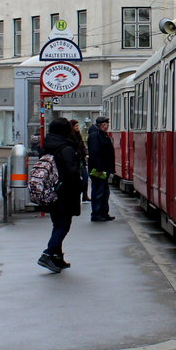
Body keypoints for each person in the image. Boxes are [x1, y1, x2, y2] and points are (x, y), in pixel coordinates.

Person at [37, 117, 86, 273]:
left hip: (50, 191)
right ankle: (48, 253)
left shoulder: (47, 146)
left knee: (57, 223)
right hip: (65, 193)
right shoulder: (66, 148)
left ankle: (57, 258)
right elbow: (72, 172)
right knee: (63, 225)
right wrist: (80, 187)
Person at [87, 115, 116, 222]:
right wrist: (100, 168)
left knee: (104, 192)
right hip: (99, 169)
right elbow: (95, 153)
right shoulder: (96, 135)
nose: (108, 126)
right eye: (107, 124)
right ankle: (96, 214)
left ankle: (103, 213)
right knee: (99, 191)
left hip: (103, 168)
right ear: (103, 125)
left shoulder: (101, 134)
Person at [70, 118, 90, 201]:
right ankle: (80, 194)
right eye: (76, 126)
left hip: (81, 159)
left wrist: (85, 153)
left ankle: (84, 195)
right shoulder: (71, 136)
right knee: (82, 178)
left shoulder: (78, 135)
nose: (78, 127)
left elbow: (82, 146)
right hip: (77, 160)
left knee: (85, 177)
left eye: (78, 126)